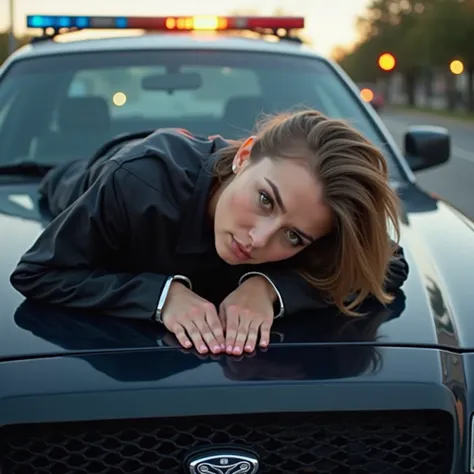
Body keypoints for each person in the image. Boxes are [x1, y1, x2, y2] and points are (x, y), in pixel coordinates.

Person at [10, 109, 409, 356]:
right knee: (68, 177)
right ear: (245, 155)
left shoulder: (314, 217)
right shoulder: (136, 183)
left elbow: (387, 265)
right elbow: (37, 272)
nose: (258, 240)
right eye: (266, 200)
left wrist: (268, 288)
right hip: (98, 172)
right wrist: (162, 296)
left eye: (293, 237)